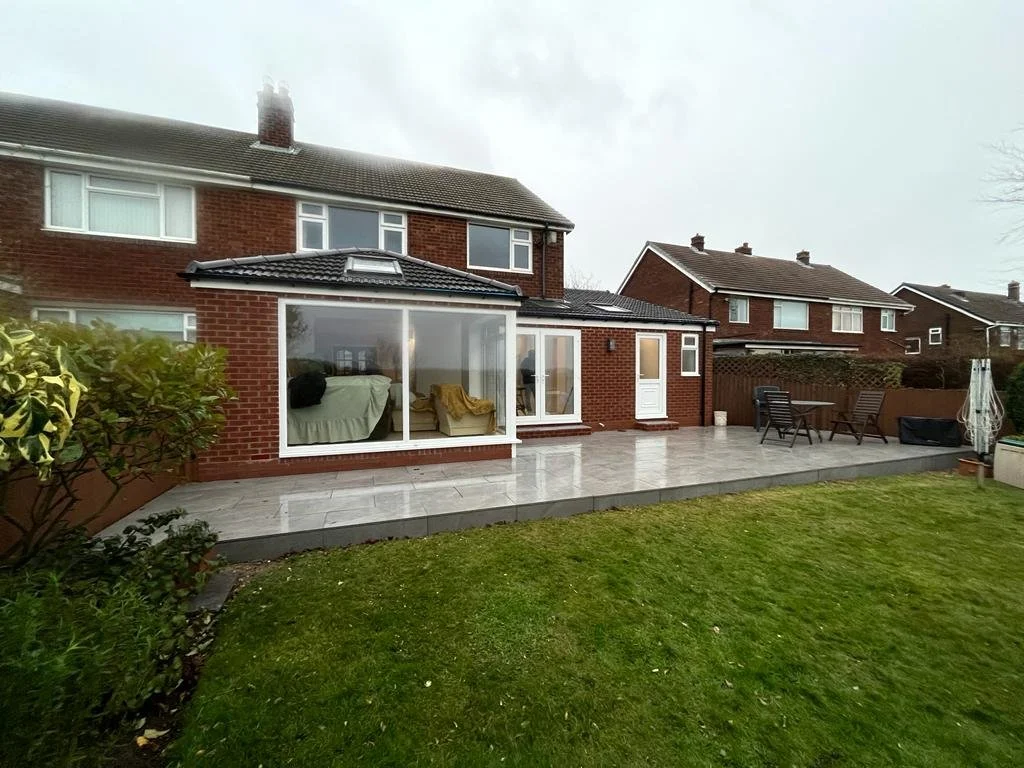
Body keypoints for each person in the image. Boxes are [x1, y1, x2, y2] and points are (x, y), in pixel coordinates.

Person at [519, 348, 536, 413]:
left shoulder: (536, 361)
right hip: (528, 382)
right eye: (532, 354)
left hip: (535, 382)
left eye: (533, 354)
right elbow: (523, 370)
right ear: (529, 355)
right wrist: (532, 372)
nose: (532, 355)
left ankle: (538, 411)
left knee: (537, 397)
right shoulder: (525, 361)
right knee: (527, 397)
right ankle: (530, 411)